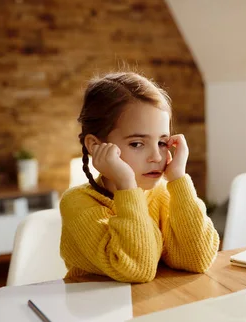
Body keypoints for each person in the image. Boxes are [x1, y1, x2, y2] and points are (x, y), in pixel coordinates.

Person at [59, 71, 219, 283]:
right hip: (94, 311)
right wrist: (127, 185)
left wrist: (178, 178)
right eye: (137, 144)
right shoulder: (77, 203)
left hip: (150, 308)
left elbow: (197, 259)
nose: (156, 156)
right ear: (95, 146)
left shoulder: (161, 194)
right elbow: (136, 269)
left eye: (162, 143)